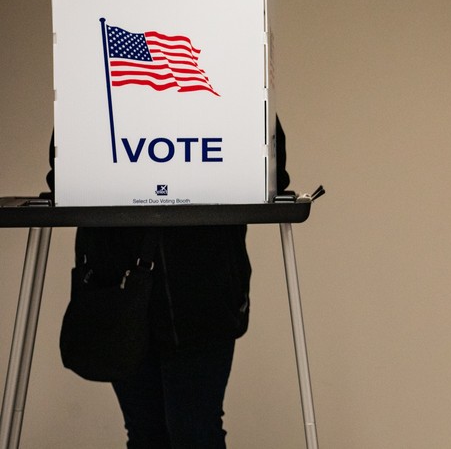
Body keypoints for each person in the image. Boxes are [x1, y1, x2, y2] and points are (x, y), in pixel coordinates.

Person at [47, 119, 290, 448]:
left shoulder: (233, 80)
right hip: (132, 286)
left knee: (188, 429)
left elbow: (270, 175)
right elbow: (63, 175)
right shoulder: (97, 83)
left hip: (192, 287)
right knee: (157, 431)